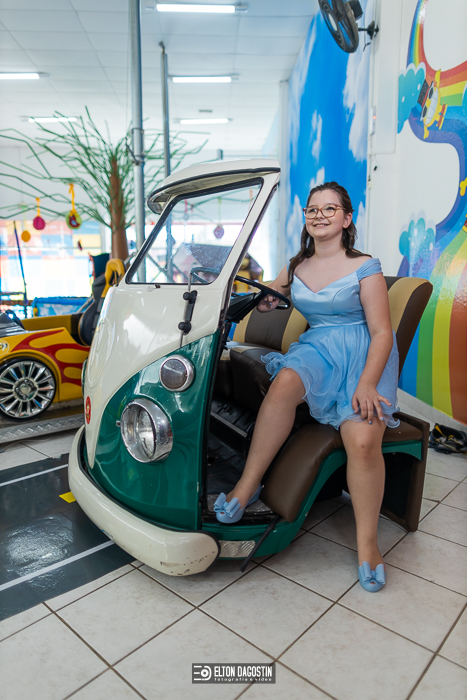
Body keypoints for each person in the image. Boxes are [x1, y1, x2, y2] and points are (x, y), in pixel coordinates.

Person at [214, 181, 400, 593]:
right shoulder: (296, 266)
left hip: (363, 353)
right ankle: (248, 484)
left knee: (362, 441)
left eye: (329, 209)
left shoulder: (365, 266)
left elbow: (382, 332)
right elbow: (270, 296)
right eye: (312, 209)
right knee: (283, 383)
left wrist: (368, 383)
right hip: (319, 348)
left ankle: (368, 544)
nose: (319, 215)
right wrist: (266, 301)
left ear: (346, 219)